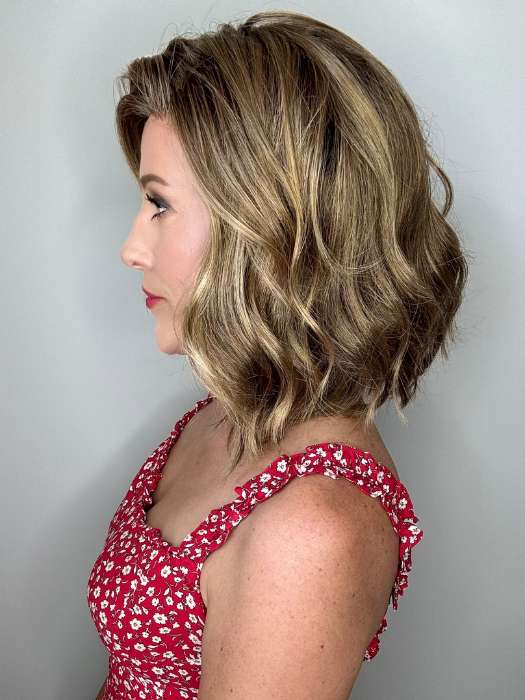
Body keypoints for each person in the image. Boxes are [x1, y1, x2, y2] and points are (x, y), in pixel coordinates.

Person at [87, 9, 469, 700]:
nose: (131, 249)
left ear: (271, 228)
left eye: (159, 204)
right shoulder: (229, 412)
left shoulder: (311, 530)